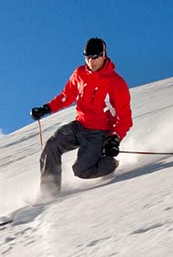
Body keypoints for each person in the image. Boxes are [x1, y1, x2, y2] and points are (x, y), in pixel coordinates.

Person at [30, 37, 132, 200]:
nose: (90, 62)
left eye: (95, 57)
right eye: (87, 57)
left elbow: (125, 119)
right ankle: (49, 193)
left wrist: (114, 139)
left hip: (98, 133)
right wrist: (46, 108)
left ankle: (110, 163)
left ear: (104, 55)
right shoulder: (80, 73)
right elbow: (66, 96)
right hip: (79, 125)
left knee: (81, 171)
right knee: (51, 147)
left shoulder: (116, 83)